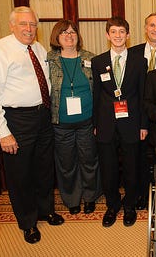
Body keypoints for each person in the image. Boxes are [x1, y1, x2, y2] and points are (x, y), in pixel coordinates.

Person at [0, 6, 64, 244]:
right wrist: (4, 134)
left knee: (44, 169)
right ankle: (27, 222)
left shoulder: (37, 48)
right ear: (12, 25)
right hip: (16, 120)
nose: (29, 29)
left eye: (33, 24)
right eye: (24, 24)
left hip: (42, 116)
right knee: (20, 173)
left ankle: (45, 210)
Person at [91, 16, 148, 228]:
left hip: (132, 123)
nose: (117, 36)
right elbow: (97, 94)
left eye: (121, 32)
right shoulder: (98, 62)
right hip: (105, 124)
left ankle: (130, 205)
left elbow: (142, 95)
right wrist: (95, 124)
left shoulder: (139, 62)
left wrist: (143, 124)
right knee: (108, 168)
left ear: (128, 35)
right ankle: (112, 206)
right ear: (107, 35)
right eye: (113, 32)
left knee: (132, 167)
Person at [47, 19, 101, 215]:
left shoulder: (90, 59)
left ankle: (90, 197)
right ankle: (72, 199)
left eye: (72, 32)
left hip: (87, 121)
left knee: (89, 160)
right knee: (66, 162)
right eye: (64, 33)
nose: (69, 36)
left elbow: (99, 90)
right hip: (61, 123)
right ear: (57, 37)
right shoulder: (50, 60)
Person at [129, 13, 156, 210]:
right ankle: (142, 195)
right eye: (152, 25)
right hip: (138, 113)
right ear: (145, 28)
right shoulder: (133, 53)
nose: (155, 29)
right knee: (140, 157)